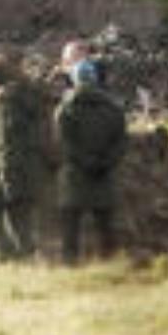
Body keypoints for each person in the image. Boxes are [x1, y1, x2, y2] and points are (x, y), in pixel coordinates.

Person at [0, 53, 47, 261]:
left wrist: (7, 177)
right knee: (19, 218)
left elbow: (7, 145)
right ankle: (27, 262)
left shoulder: (5, 105)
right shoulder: (23, 98)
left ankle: (6, 257)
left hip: (8, 168)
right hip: (28, 168)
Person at [55, 58, 128, 265]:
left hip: (74, 175)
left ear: (74, 80)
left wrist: (84, 161)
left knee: (70, 229)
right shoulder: (114, 110)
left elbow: (63, 144)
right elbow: (121, 142)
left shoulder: (66, 109)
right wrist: (105, 163)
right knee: (105, 228)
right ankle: (110, 266)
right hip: (103, 176)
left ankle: (69, 268)